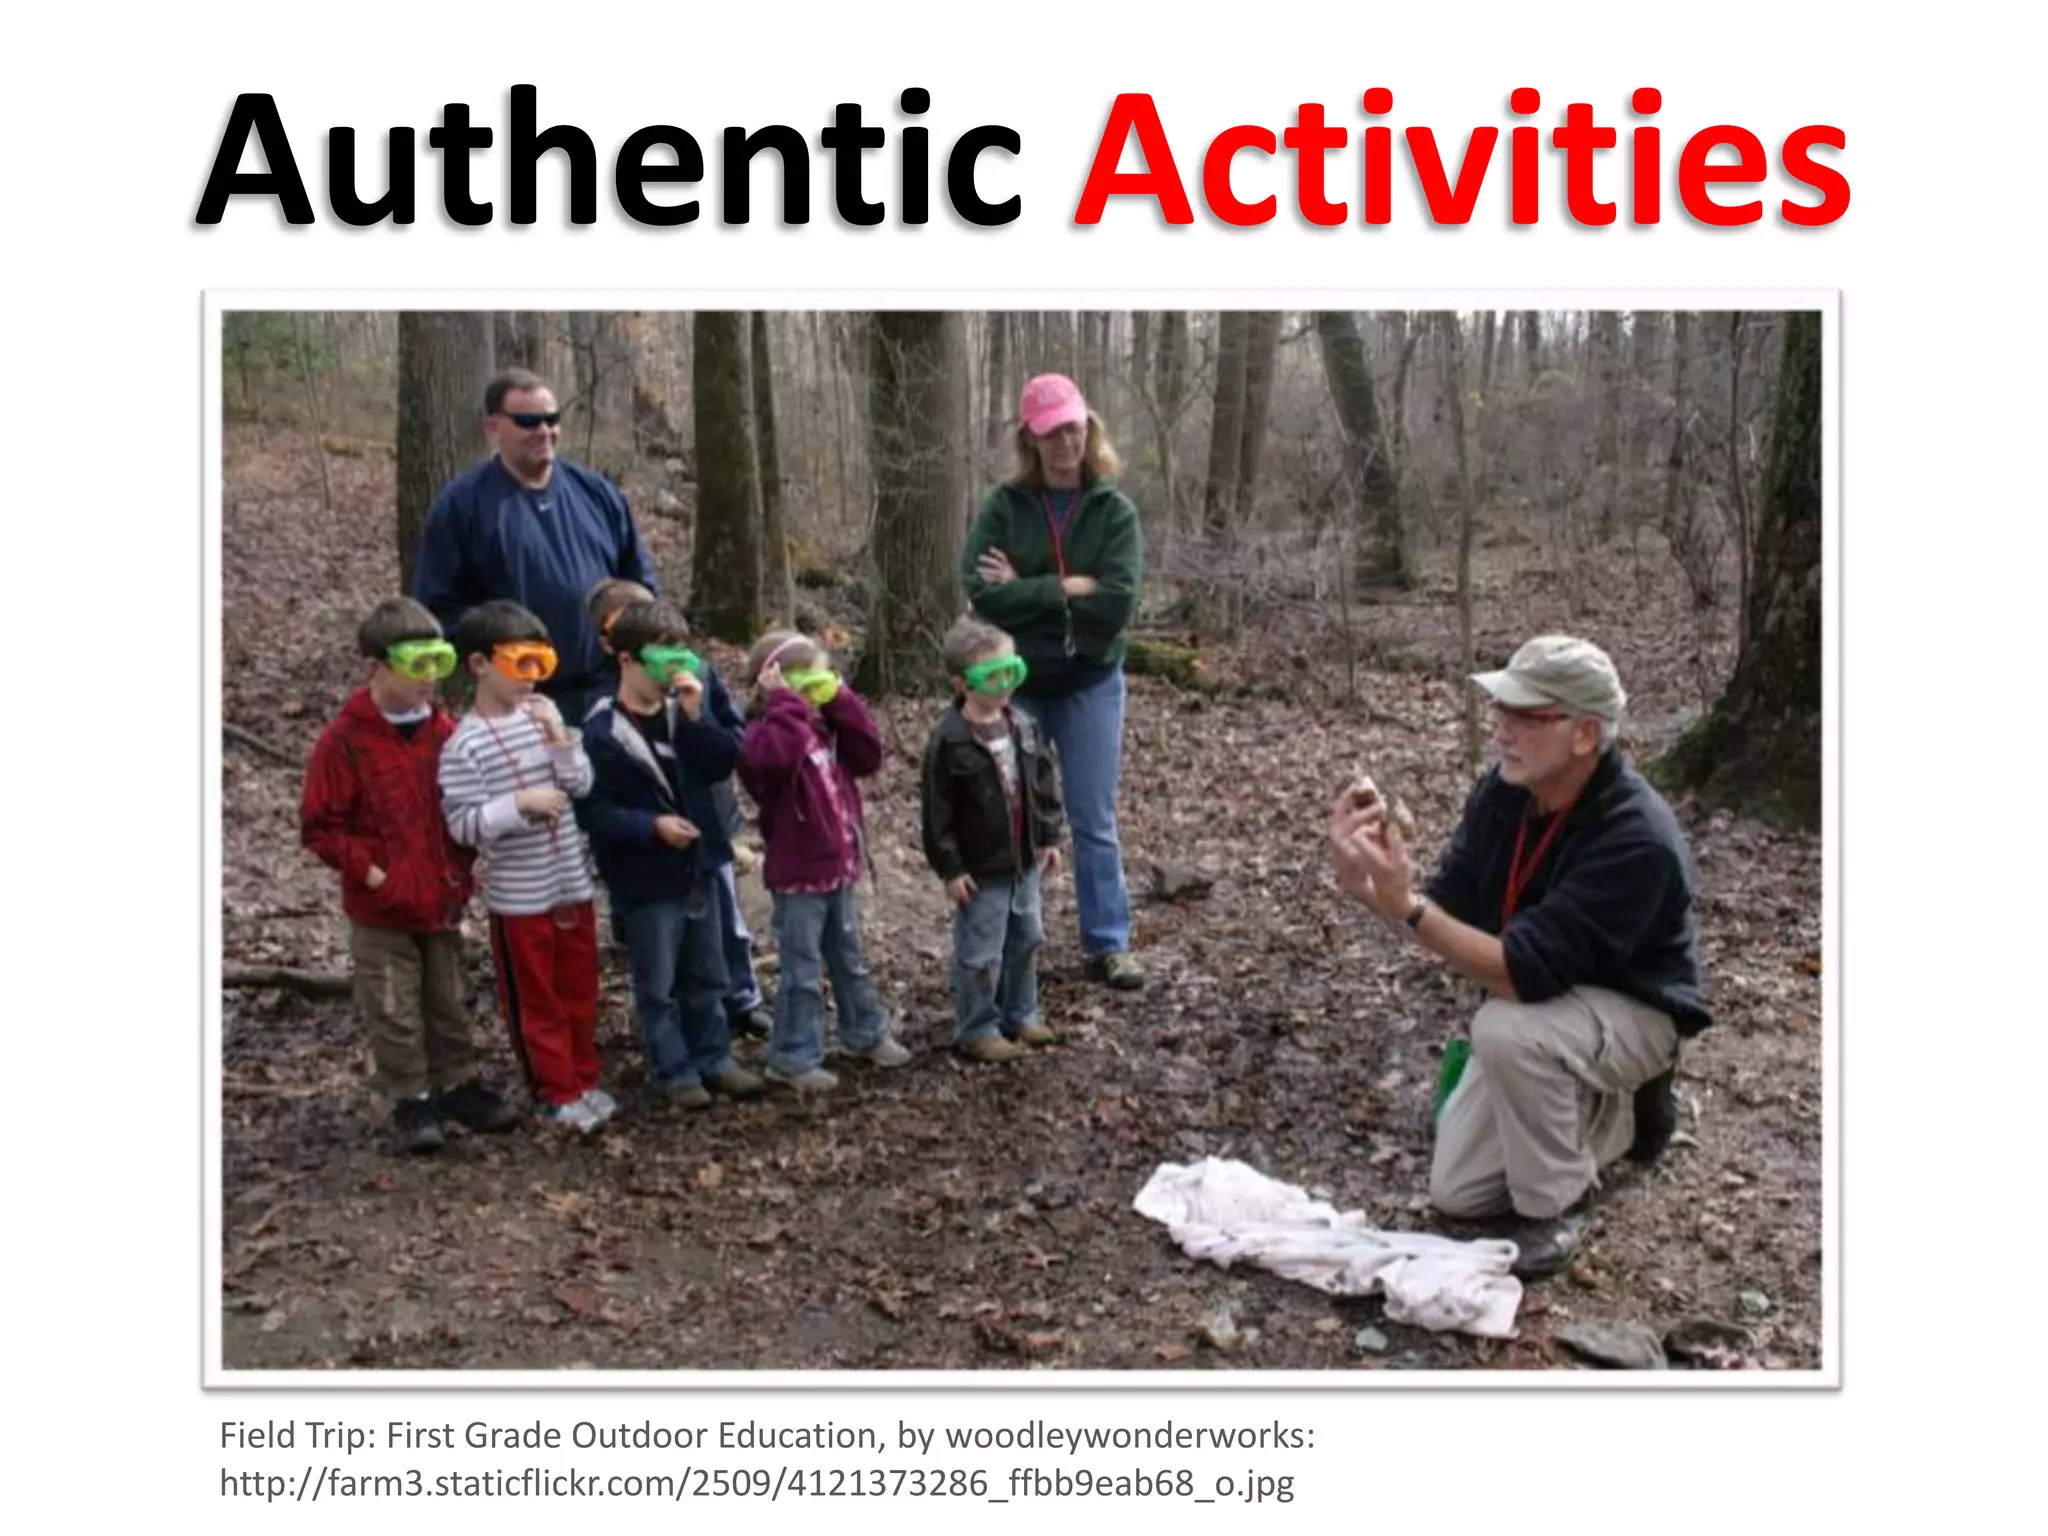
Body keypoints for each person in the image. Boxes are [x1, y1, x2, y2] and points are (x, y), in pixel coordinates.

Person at [1327, 635, 1712, 1279]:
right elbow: (1445, 911)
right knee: (1459, 1192)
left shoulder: (1638, 837)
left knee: (1505, 1029)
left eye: (1527, 716)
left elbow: (1518, 973)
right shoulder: (1505, 791)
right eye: (1501, 707)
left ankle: (1558, 1206)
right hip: (1551, 1008)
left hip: (1636, 1010)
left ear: (1586, 735)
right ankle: (1619, 1117)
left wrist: (1407, 906)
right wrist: (1366, 885)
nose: (1501, 728)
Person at [299, 597, 519, 1154]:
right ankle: (411, 1099)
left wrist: (460, 871)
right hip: (381, 909)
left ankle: (459, 1085)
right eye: (415, 665)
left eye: (437, 664)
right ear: (378, 666)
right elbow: (321, 827)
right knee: (393, 1002)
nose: (428, 681)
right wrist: (375, 877)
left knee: (448, 996)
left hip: (440, 899)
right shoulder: (344, 741)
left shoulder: (445, 732)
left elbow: (464, 806)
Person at [962, 373, 1144, 991]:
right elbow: (982, 592)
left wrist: (1028, 588)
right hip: (1021, 683)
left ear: (1087, 428)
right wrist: (1068, 588)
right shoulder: (1006, 507)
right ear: (1031, 440)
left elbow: (1117, 603)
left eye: (1073, 427)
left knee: (1092, 816)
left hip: (1092, 680)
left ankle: (1109, 943)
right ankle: (1018, 940)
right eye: (1051, 433)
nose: (1065, 442)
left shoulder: (1113, 510)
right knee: (1020, 814)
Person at [575, 600, 766, 1110]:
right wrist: (651, 827)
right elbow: (595, 812)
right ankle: (674, 1069)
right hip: (646, 878)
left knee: (708, 972)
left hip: (699, 867)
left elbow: (725, 761)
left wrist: (698, 716)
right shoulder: (602, 731)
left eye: (681, 653)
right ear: (627, 661)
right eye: (662, 657)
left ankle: (715, 1060)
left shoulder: (685, 712)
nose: (674, 667)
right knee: (658, 984)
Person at [438, 599, 611, 1133]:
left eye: (541, 663)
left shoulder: (543, 718)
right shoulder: (463, 744)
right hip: (519, 898)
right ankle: (554, 1090)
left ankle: (583, 1079)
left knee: (580, 987)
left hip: (571, 884)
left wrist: (561, 739)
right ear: (480, 665)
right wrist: (519, 806)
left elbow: (581, 783)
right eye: (520, 663)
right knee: (537, 997)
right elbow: (462, 825)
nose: (532, 677)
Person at [412, 367, 659, 725]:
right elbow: (438, 609)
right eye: (528, 420)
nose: (543, 431)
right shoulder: (462, 506)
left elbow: (641, 583)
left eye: (551, 419)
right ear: (493, 427)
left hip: (610, 690)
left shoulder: (596, 493)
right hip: (520, 703)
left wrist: (637, 648)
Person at [737, 630, 911, 1091]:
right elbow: (771, 765)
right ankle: (792, 1056)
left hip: (840, 866)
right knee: (801, 970)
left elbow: (868, 754)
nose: (816, 690)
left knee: (849, 958)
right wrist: (783, 706)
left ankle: (864, 1031)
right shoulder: (762, 735)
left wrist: (840, 699)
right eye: (807, 681)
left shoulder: (826, 728)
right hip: (798, 875)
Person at [920, 617, 1066, 1064]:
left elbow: (1042, 784)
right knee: (981, 950)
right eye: (993, 676)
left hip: (1024, 861)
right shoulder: (949, 741)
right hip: (981, 868)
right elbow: (936, 813)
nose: (1005, 684)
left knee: (1027, 937)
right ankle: (977, 1026)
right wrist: (950, 867)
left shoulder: (1022, 724)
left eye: (1013, 672)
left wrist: (1049, 837)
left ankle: (1020, 1013)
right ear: (962, 683)